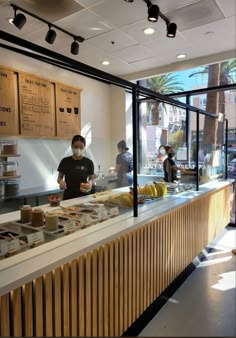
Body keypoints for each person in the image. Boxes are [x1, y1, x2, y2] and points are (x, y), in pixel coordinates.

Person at [57, 135, 95, 200]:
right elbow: (59, 178)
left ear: (84, 147)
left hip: (84, 196)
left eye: (81, 147)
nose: (78, 149)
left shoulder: (88, 162)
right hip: (68, 197)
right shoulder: (65, 161)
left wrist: (90, 183)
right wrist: (61, 182)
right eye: (76, 147)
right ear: (71, 146)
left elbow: (91, 179)